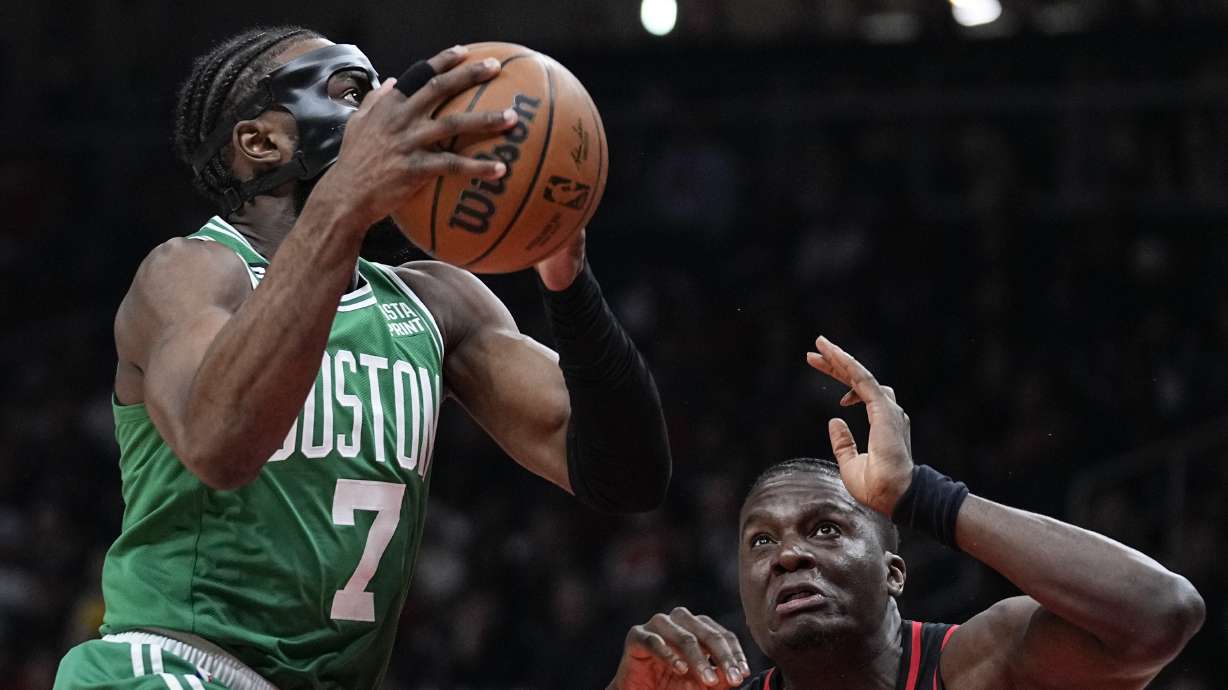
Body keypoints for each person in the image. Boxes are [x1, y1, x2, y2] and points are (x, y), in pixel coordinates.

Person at [54, 26, 671, 690]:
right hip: (169, 668)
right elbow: (219, 443)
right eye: (350, 91)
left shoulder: (437, 303)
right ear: (262, 142)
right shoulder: (193, 273)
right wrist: (348, 198)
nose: (384, 105)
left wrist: (567, 284)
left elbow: (625, 477)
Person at [607, 336, 1204, 690]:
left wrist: (921, 494)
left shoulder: (979, 666)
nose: (788, 554)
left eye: (825, 528)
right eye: (760, 543)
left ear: (895, 573)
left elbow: (1161, 613)